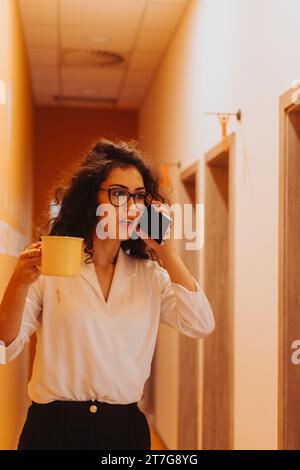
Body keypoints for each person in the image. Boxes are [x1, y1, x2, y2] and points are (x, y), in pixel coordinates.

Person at [0, 138, 215, 450]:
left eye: (139, 197)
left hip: (123, 432)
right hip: (53, 430)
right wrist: (18, 282)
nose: (131, 207)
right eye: (118, 194)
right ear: (91, 199)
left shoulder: (149, 275)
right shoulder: (54, 266)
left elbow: (200, 323)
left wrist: (165, 251)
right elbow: (5, 346)